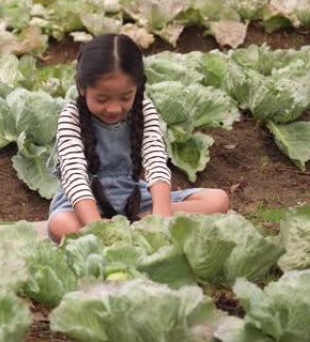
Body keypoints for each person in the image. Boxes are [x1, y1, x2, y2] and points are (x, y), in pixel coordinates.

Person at [47, 33, 229, 243]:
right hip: (84, 206)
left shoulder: (144, 109)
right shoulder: (71, 117)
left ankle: (135, 227)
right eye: (102, 99)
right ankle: (122, 233)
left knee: (218, 200)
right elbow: (74, 175)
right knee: (60, 224)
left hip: (133, 198)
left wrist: (161, 216)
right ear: (82, 88)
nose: (114, 108)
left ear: (138, 87)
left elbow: (156, 161)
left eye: (125, 97)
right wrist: (96, 226)